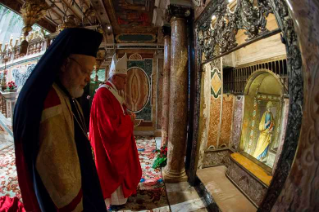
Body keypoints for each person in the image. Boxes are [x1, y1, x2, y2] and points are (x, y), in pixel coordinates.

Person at [13, 28, 107, 212]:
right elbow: (60, 176)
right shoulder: (50, 100)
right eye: (84, 71)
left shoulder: (62, 92)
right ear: (65, 64)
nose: (88, 79)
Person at [89, 53, 142, 209]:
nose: (125, 83)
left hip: (114, 140)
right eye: (124, 79)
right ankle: (115, 200)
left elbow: (115, 114)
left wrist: (125, 114)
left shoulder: (111, 92)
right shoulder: (102, 94)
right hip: (107, 145)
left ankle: (122, 196)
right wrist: (128, 120)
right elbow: (110, 128)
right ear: (115, 77)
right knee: (111, 169)